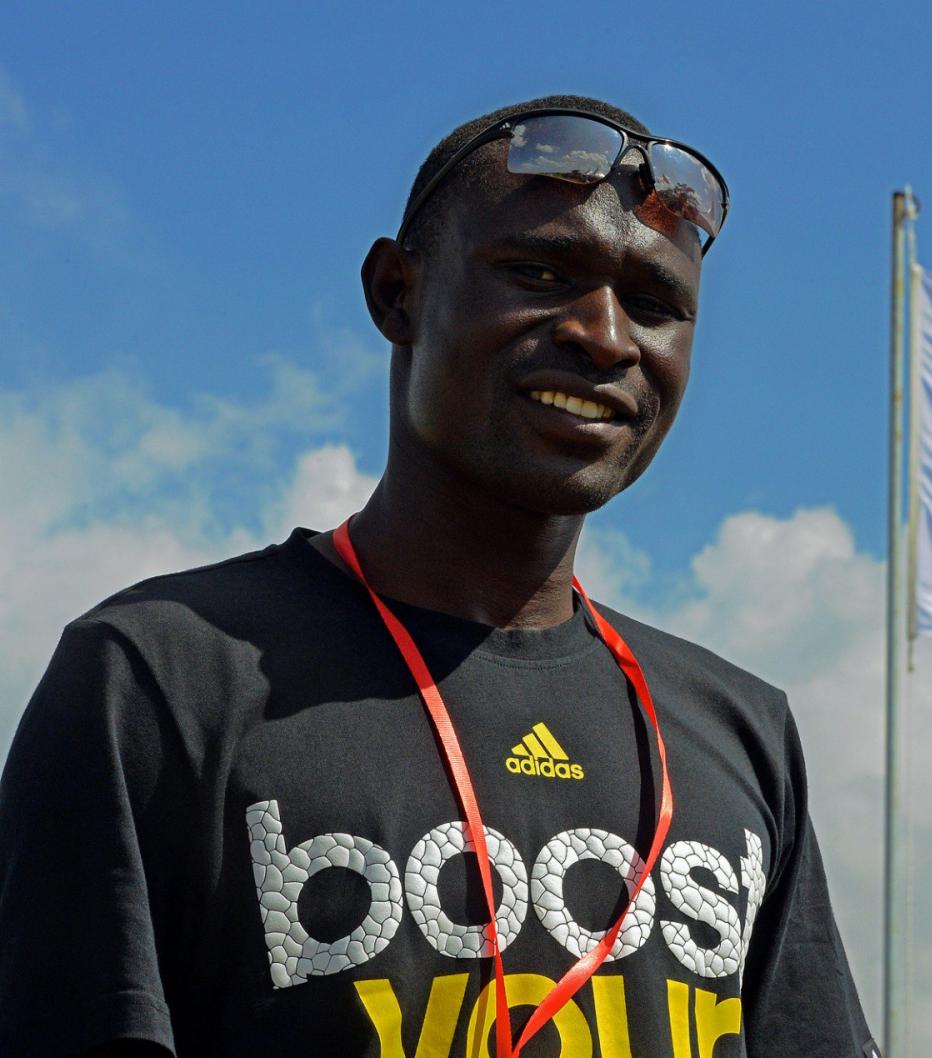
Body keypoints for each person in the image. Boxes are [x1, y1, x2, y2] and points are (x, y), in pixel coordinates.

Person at [0, 94, 878, 1058]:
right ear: (396, 293)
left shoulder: (739, 732)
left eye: (655, 305)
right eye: (540, 273)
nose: (606, 336)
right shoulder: (160, 679)